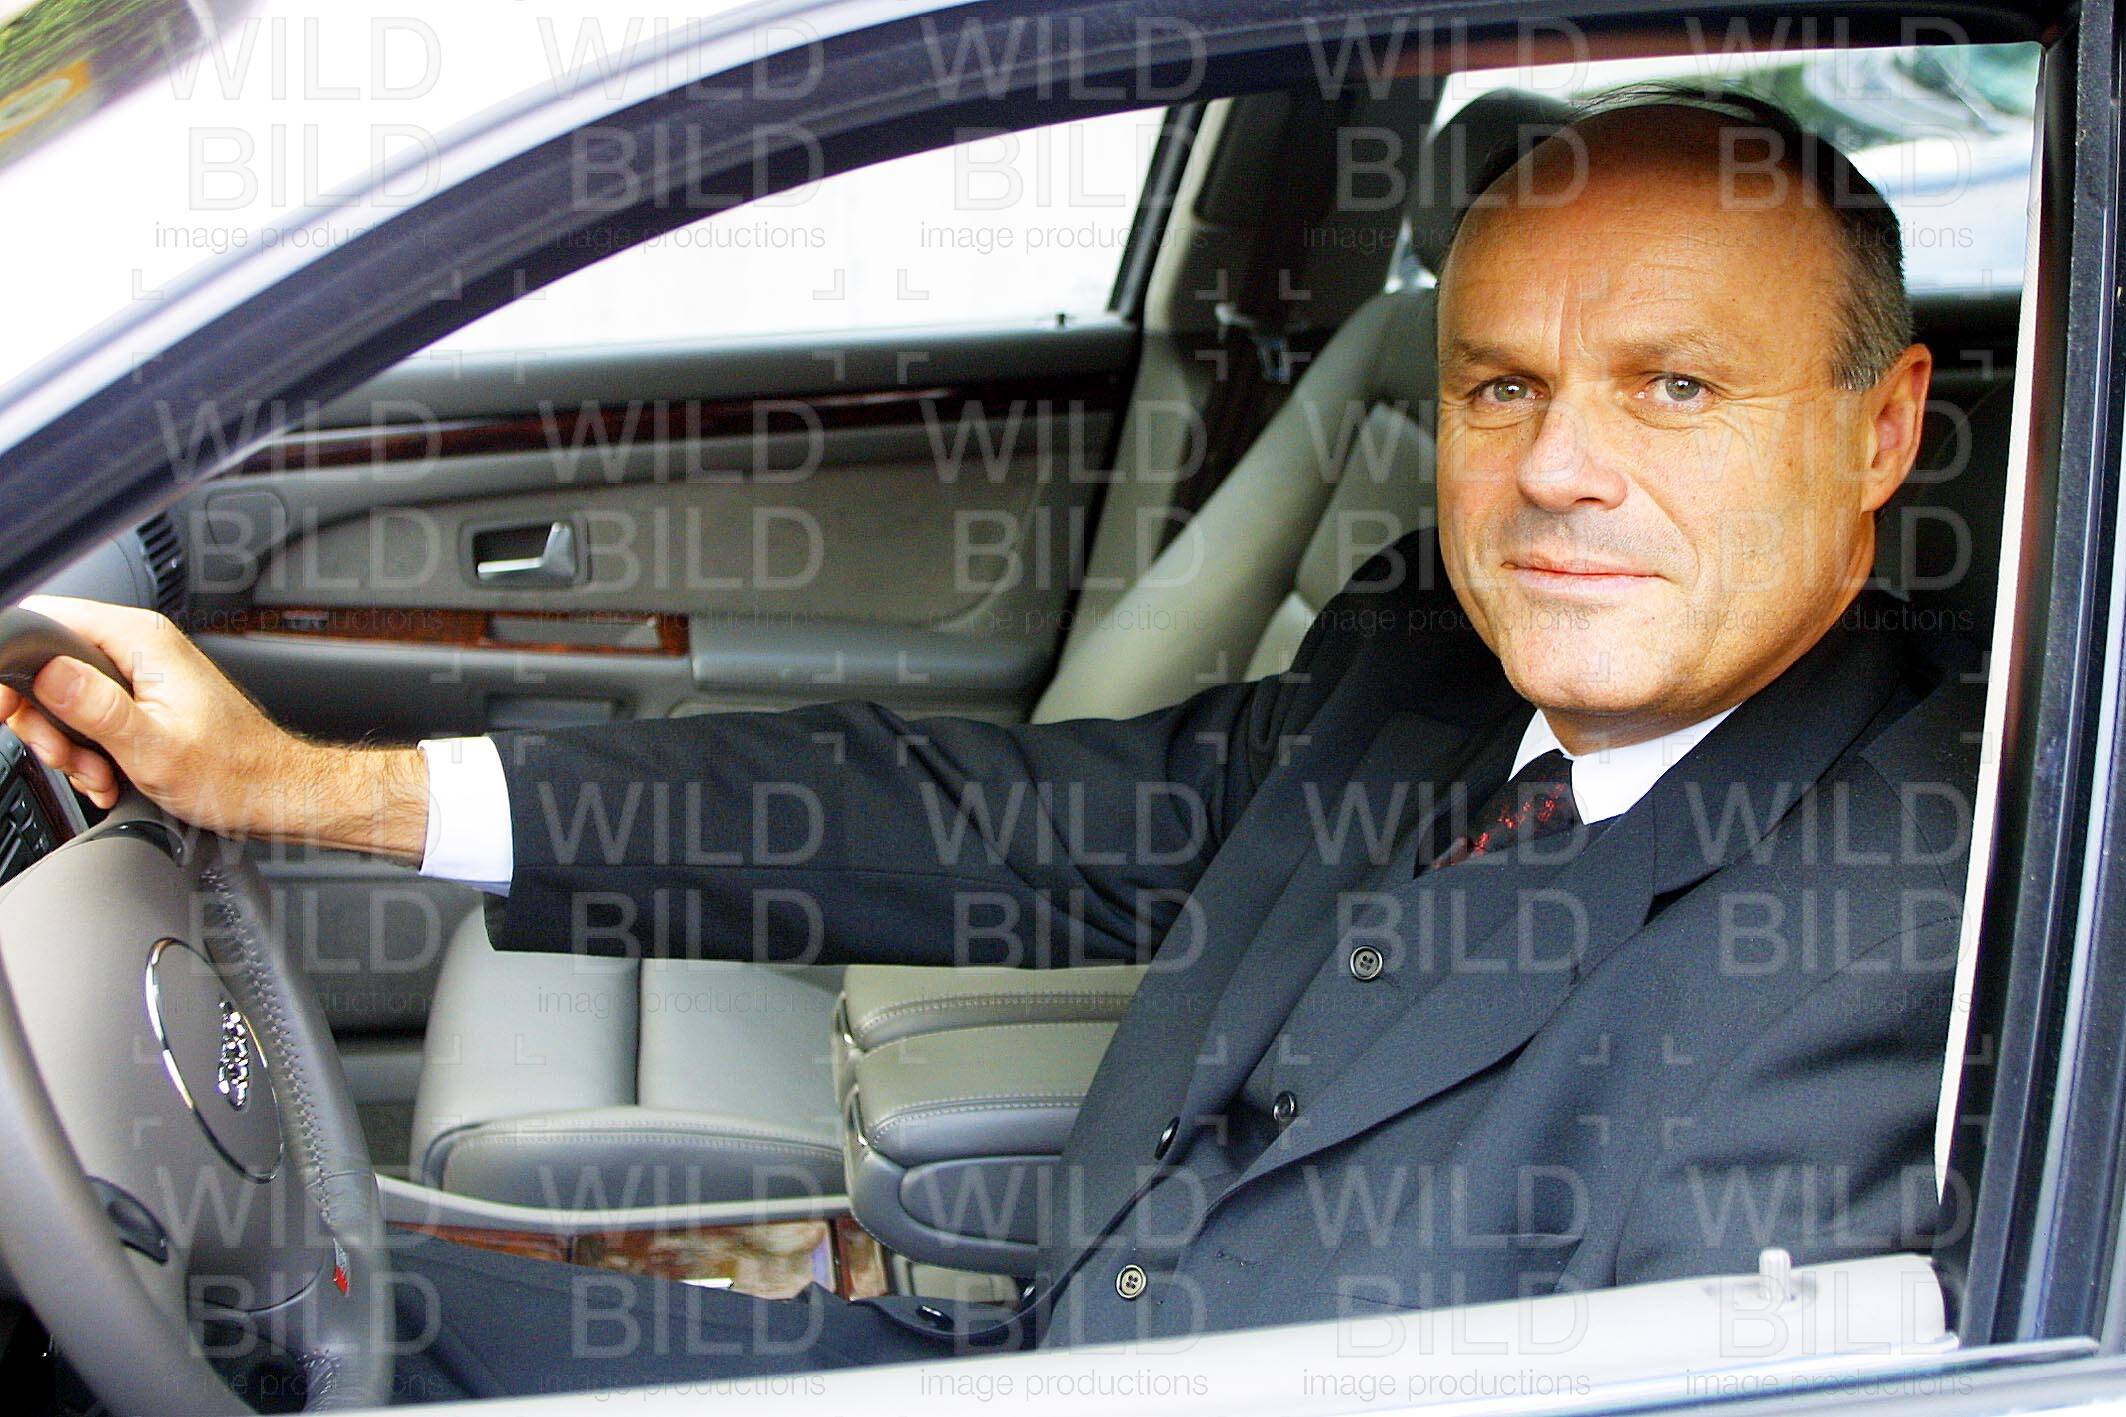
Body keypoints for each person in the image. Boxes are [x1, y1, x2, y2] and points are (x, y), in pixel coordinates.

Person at [0, 86, 1977, 1401]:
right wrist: (306, 787)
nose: (1555, 468)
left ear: (1878, 428)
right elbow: (975, 819)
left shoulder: (1902, 936)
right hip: (1008, 1354)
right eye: (1498, 387)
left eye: (1675, 388)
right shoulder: (1429, 674)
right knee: (305, 1313)